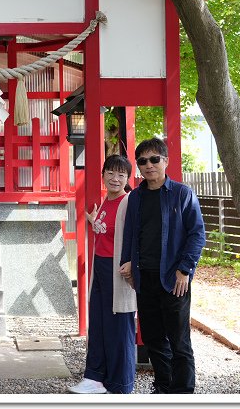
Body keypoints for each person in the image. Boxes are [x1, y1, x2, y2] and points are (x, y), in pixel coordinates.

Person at [119, 137, 206, 394]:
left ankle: (183, 392)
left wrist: (185, 269)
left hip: (174, 277)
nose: (149, 165)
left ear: (165, 161)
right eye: (143, 161)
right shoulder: (135, 198)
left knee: (179, 340)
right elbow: (130, 235)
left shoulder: (181, 194)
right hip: (145, 278)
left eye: (154, 159)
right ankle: (163, 387)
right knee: (154, 338)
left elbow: (197, 234)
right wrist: (129, 266)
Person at [68, 155, 137, 394]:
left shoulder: (129, 203)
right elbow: (105, 230)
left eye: (121, 174)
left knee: (118, 326)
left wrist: (132, 264)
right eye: (110, 173)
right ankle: (94, 378)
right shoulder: (106, 201)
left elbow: (136, 238)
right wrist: (92, 220)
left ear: (127, 178)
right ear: (103, 175)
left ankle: (120, 383)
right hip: (101, 267)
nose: (115, 178)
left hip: (119, 272)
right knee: (98, 324)